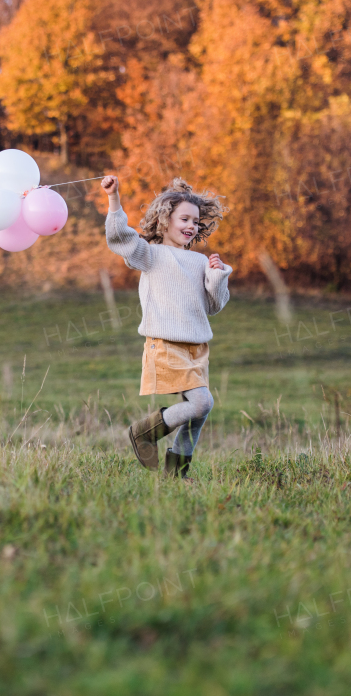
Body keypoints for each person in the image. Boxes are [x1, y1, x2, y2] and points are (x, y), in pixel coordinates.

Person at [102, 175, 231, 480]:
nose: (191, 225)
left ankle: (176, 475)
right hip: (165, 343)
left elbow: (214, 306)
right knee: (202, 402)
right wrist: (114, 197)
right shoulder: (151, 255)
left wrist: (216, 276)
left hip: (196, 347)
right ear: (165, 220)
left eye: (196, 221)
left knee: (199, 413)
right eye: (184, 218)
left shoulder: (199, 262)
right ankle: (143, 433)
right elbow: (121, 237)